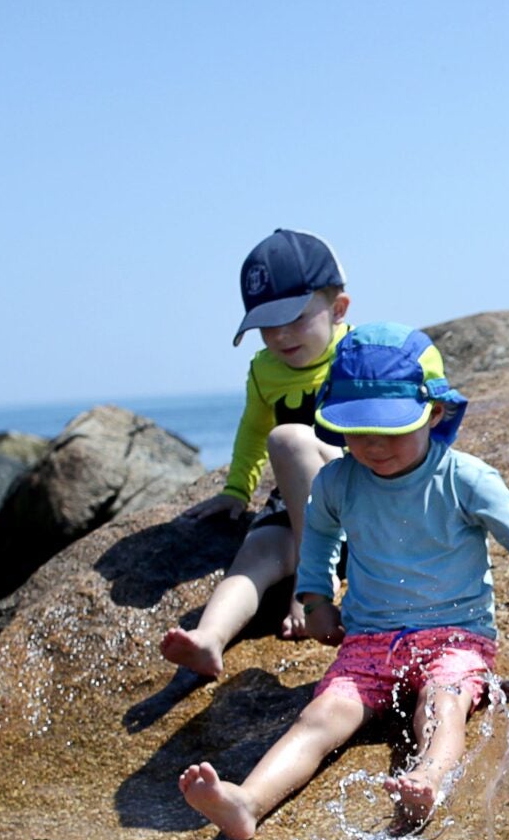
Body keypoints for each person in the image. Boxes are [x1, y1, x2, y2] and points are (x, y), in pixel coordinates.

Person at [177, 324, 509, 840]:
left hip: (455, 637)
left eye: (392, 430)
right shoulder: (339, 479)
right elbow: (319, 539)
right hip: (369, 640)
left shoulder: (464, 479)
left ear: (435, 413)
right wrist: (314, 597)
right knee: (321, 714)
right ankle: (247, 800)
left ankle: (429, 779)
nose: (374, 447)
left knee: (441, 702)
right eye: (358, 431)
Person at [162, 228, 439, 679]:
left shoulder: (361, 357)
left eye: (296, 319)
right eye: (267, 325)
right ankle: (210, 638)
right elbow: (252, 428)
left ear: (339, 308)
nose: (281, 336)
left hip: (359, 498)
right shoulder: (264, 370)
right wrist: (236, 490)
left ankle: (313, 583)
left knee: (289, 439)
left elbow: (421, 397)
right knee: (257, 555)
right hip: (301, 506)